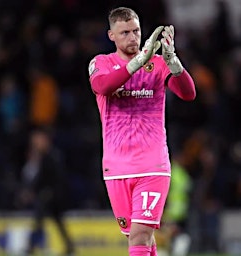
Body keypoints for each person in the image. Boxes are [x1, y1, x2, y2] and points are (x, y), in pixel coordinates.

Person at [87, 7, 196, 256]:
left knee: (140, 235)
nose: (132, 37)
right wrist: (138, 62)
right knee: (140, 239)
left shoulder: (157, 65)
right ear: (111, 35)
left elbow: (188, 94)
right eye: (124, 32)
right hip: (116, 168)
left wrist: (174, 63)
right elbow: (103, 86)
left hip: (151, 165)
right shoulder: (101, 63)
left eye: (136, 31)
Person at [21, 128, 75, 255]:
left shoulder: (52, 156)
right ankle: (69, 247)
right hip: (48, 195)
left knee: (41, 221)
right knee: (53, 222)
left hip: (50, 195)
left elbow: (54, 177)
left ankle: (30, 247)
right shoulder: (44, 156)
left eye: (38, 140)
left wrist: (46, 191)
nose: (36, 143)